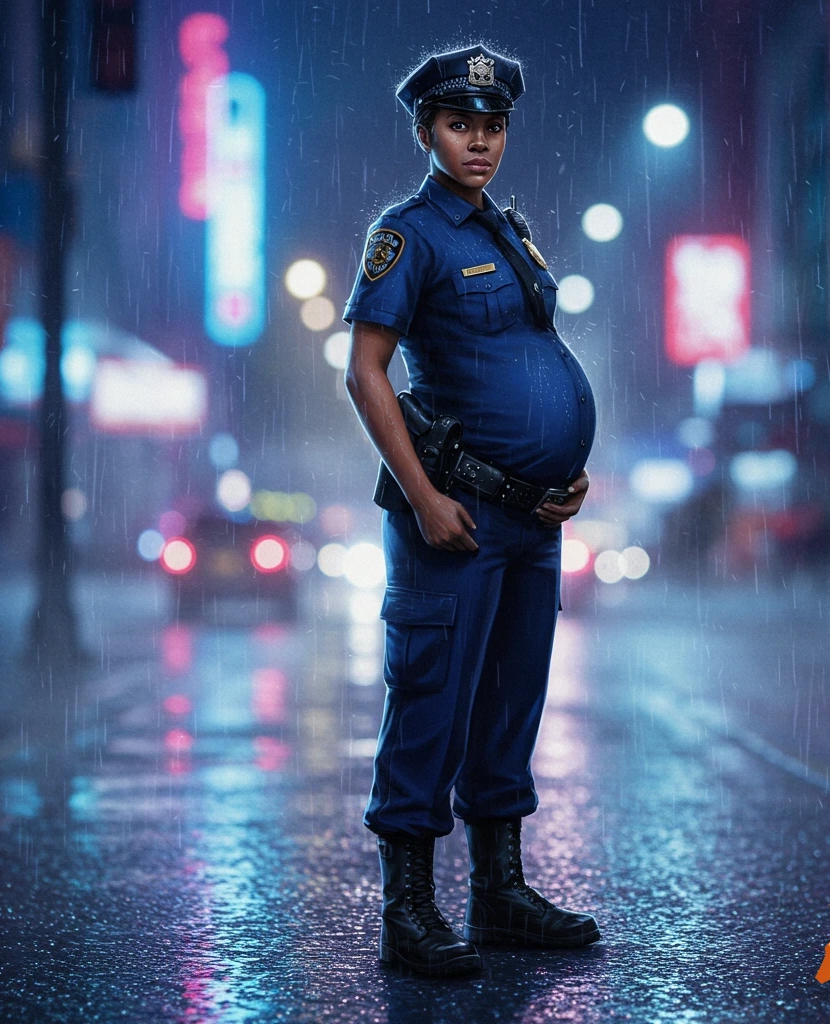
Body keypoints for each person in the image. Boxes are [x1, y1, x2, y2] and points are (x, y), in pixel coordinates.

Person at [343, 43, 600, 977]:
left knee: (509, 704)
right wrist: (424, 495)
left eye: (492, 126)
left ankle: (499, 897)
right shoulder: (409, 233)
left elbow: (532, 359)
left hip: (532, 520)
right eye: (460, 125)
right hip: (456, 515)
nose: (480, 141)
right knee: (430, 705)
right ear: (426, 131)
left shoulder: (507, 232)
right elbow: (365, 371)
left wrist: (563, 474)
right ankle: (407, 914)